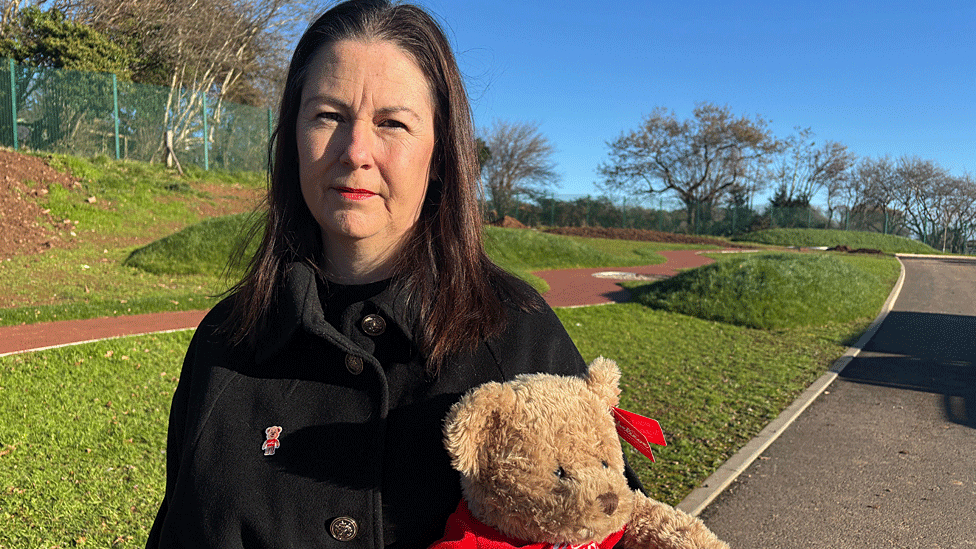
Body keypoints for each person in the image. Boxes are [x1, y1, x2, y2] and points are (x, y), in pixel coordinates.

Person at [146, 1, 638, 547]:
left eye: (392, 123)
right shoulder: (224, 341)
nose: (355, 151)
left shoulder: (518, 333)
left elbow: (612, 523)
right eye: (328, 115)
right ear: (292, 136)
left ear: (440, 153)